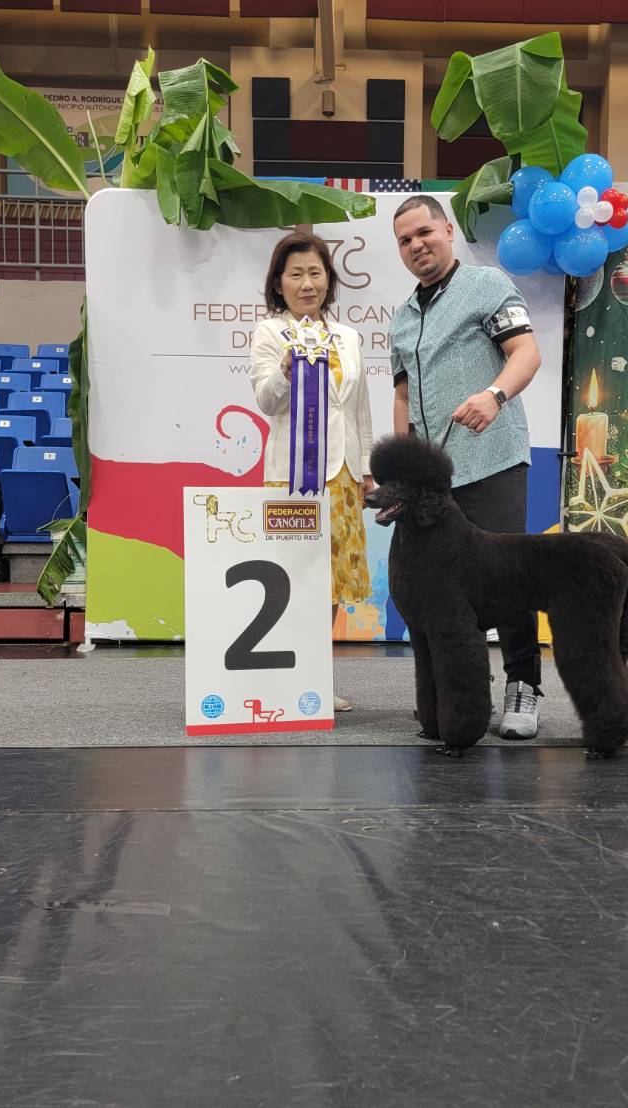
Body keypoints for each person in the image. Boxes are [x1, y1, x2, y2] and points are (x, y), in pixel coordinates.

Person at [389, 195, 544, 739]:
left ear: (448, 231)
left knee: (509, 581)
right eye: (405, 240)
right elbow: (403, 398)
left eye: (424, 232)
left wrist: (494, 396)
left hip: (492, 458)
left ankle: (523, 686)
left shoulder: (488, 285)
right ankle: (454, 694)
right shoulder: (401, 319)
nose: (416, 245)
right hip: (432, 485)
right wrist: (402, 468)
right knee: (437, 592)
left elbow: (526, 353)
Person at [250, 231, 375, 713]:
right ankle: (281, 676)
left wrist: (366, 469)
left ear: (329, 279)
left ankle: (314, 678)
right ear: (278, 283)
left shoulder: (349, 338)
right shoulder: (269, 333)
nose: (307, 284)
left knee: (331, 582)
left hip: (342, 475)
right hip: (291, 477)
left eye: (315, 273)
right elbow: (266, 402)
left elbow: (359, 409)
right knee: (292, 576)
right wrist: (285, 369)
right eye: (296, 274)